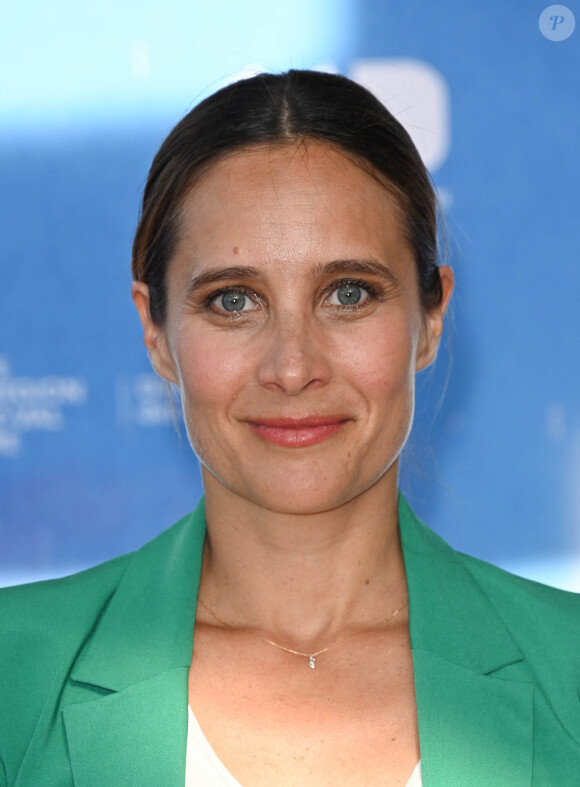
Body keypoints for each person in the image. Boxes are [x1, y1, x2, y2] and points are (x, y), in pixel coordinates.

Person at [1, 70, 579, 786]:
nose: (293, 365)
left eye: (348, 293)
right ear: (155, 332)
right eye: (234, 300)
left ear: (431, 318)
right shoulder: (13, 675)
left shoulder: (570, 668)